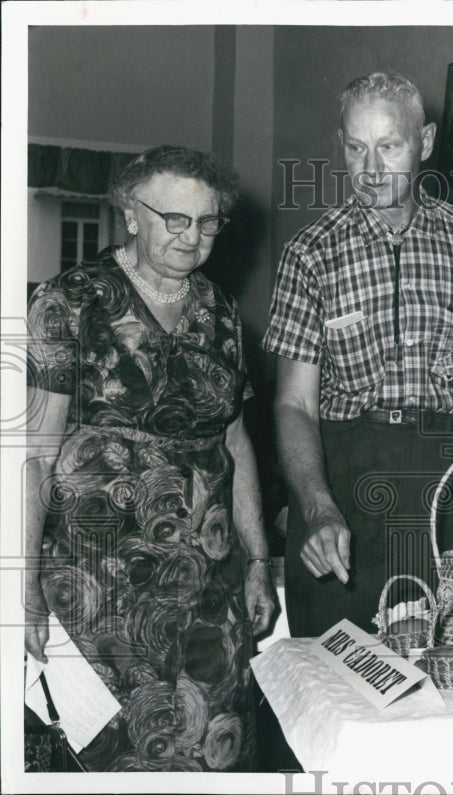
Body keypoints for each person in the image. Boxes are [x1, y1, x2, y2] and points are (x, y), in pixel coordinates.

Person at [24, 145, 276, 771]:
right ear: (131, 215)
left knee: (212, 756)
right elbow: (35, 455)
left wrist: (258, 561)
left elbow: (237, 442)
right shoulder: (70, 302)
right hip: (95, 591)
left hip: (208, 594)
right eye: (175, 219)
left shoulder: (220, 313)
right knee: (108, 760)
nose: (193, 238)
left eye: (208, 222)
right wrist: (21, 585)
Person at [263, 71, 453, 637]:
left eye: (390, 146)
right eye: (357, 148)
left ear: (426, 142)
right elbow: (294, 405)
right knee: (340, 671)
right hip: (347, 479)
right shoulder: (310, 254)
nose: (372, 169)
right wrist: (316, 506)